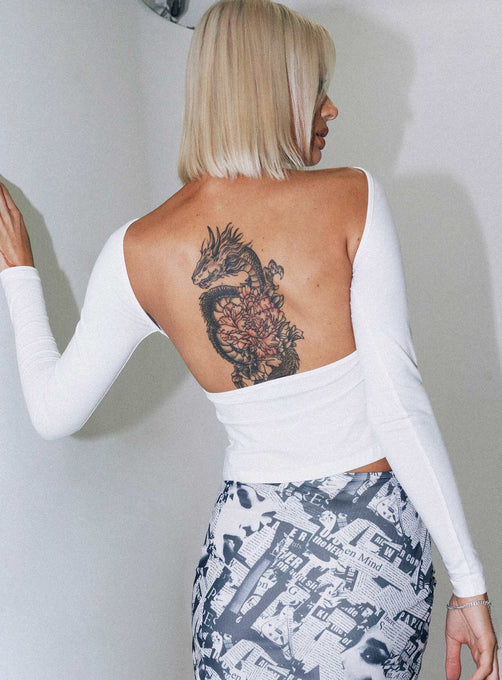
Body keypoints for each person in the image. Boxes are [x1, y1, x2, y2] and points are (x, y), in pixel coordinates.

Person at [0, 0, 498, 677]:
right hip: (369, 554)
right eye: (316, 89)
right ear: (269, 90)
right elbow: (398, 405)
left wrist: (18, 270)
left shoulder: (136, 251)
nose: (331, 109)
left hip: (243, 560)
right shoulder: (352, 197)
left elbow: (53, 412)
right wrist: (470, 586)